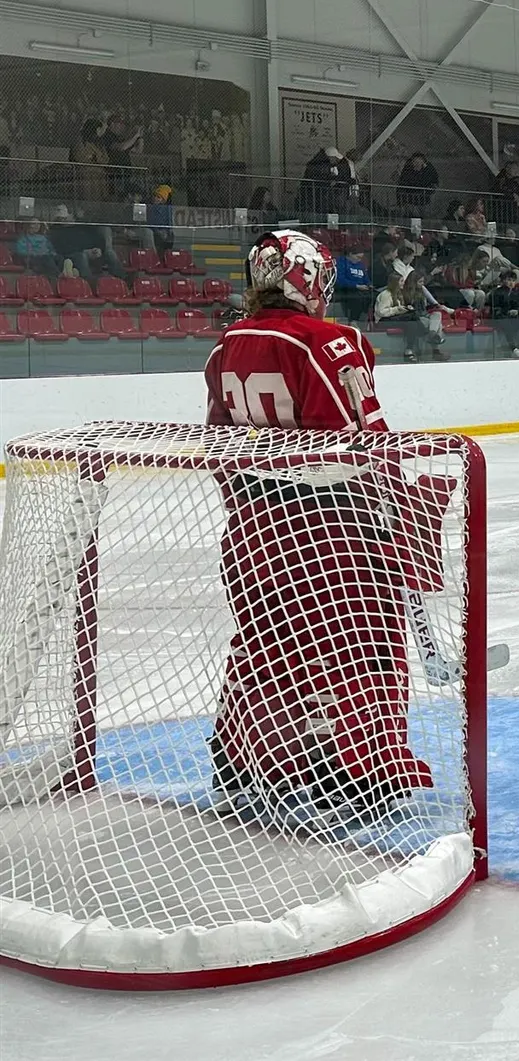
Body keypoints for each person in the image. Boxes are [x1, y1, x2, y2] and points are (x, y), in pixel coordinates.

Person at [203, 229, 436, 828]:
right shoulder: (330, 342)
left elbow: (218, 444)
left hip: (254, 527)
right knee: (365, 650)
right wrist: (399, 523)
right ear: (305, 280)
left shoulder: (227, 345)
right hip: (332, 528)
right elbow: (364, 443)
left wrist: (248, 511)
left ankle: (248, 765)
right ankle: (362, 777)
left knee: (265, 648)